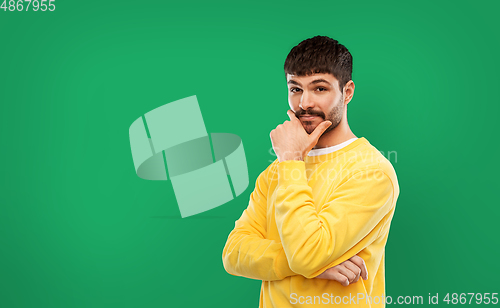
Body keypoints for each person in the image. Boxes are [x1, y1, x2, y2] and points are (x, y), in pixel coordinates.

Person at [222, 35, 400, 307]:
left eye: (319, 89)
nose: (305, 103)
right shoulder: (278, 170)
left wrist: (292, 160)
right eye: (295, 89)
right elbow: (234, 253)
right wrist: (307, 265)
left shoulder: (372, 172)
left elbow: (307, 253)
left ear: (347, 91)